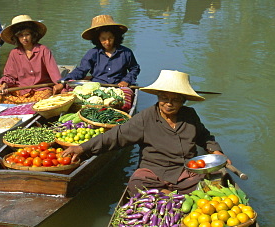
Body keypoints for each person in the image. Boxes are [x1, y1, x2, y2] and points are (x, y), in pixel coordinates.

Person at [61, 69, 226, 195]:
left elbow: (205, 137)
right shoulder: (145, 118)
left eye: (175, 99)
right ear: (158, 97)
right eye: (164, 98)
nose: (169, 104)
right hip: (154, 173)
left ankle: (169, 196)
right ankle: (168, 195)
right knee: (136, 185)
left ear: (183, 101)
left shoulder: (190, 116)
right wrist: (82, 148)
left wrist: (215, 150)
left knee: (211, 181)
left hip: (184, 173)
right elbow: (115, 136)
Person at [0, 14, 62, 99]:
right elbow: (10, 75)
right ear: (16, 37)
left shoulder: (43, 50)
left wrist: (60, 85)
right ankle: (24, 105)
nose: (24, 38)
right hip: (21, 89)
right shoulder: (14, 53)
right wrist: (4, 85)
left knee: (45, 96)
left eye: (27, 34)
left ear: (33, 34)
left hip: (40, 90)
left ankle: (22, 105)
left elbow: (54, 73)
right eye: (21, 35)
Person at [62, 14, 141, 88]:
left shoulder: (126, 53)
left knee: (125, 100)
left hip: (119, 86)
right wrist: (63, 81)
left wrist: (126, 80)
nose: (107, 42)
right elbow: (81, 70)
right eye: (103, 39)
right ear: (97, 39)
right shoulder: (92, 53)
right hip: (97, 86)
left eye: (111, 38)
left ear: (116, 37)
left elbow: (134, 69)